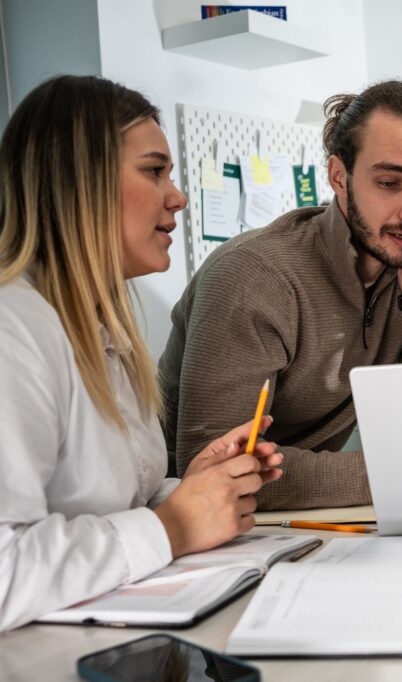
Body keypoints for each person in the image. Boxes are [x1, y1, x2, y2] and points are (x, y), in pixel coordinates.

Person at [0, 75, 283, 632]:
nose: (176, 197)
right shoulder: (13, 331)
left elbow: (106, 505)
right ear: (80, 182)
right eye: (154, 171)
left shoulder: (105, 329)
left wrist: (195, 488)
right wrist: (172, 526)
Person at [159, 80, 402, 510]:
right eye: (389, 183)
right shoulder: (254, 276)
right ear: (339, 178)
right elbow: (213, 462)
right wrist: (400, 474)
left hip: (309, 520)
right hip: (200, 532)